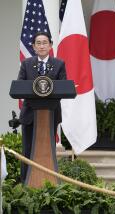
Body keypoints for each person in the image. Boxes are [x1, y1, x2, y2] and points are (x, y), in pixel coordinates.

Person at [17, 31, 66, 183]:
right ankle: (26, 183)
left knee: (47, 151)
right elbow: (19, 86)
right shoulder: (26, 64)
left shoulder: (59, 64)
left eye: (45, 42)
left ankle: (50, 182)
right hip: (30, 115)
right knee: (28, 151)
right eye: (38, 43)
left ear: (50, 45)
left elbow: (64, 87)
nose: (42, 46)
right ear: (33, 47)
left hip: (50, 115)